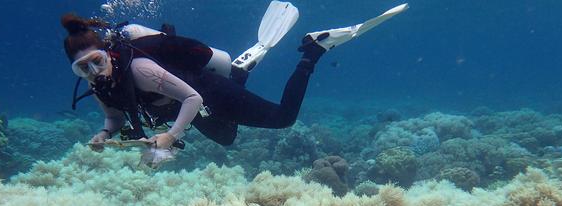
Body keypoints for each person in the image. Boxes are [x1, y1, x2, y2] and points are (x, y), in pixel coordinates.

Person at [61, 2, 408, 151]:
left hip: (204, 93)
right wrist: (103, 134)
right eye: (83, 68)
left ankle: (315, 50)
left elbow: (192, 99)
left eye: (95, 61)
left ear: (106, 52)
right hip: (192, 110)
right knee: (227, 139)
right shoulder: (98, 87)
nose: (93, 71)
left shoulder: (141, 69)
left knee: (283, 119)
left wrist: (170, 135)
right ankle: (239, 71)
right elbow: (113, 117)